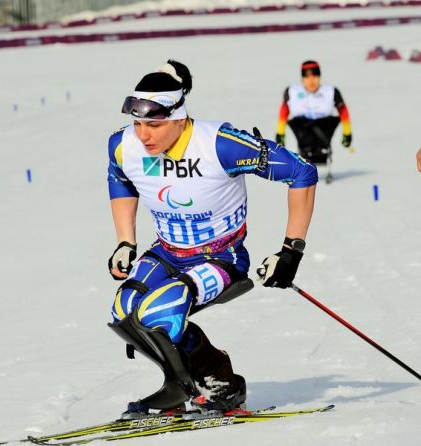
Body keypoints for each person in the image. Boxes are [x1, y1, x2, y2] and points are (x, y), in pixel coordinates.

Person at [107, 60, 318, 418]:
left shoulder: (220, 144)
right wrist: (126, 242)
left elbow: (301, 172)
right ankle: (192, 380)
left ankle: (212, 383)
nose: (143, 134)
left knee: (162, 309)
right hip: (168, 252)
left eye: (154, 124)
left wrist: (290, 251)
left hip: (222, 256)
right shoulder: (123, 145)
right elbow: (121, 179)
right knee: (124, 311)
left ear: (178, 116)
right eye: (138, 123)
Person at [275, 60, 352, 183]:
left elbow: (343, 111)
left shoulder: (330, 92)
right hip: (301, 128)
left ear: (319, 76)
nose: (311, 80)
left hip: (325, 128)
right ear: (302, 79)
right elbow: (284, 111)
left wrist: (347, 133)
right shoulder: (292, 92)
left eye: (315, 76)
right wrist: (280, 134)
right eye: (307, 77)